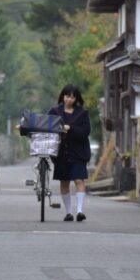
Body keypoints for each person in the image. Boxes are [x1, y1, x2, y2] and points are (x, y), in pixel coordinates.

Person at [48, 84, 91, 222]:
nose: (69, 100)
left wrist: (70, 128)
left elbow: (85, 132)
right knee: (64, 181)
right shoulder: (55, 111)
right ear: (63, 96)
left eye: (72, 97)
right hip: (61, 152)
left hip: (78, 152)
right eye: (67, 96)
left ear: (76, 99)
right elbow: (47, 127)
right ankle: (68, 212)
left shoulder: (82, 113)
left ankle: (79, 211)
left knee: (79, 179)